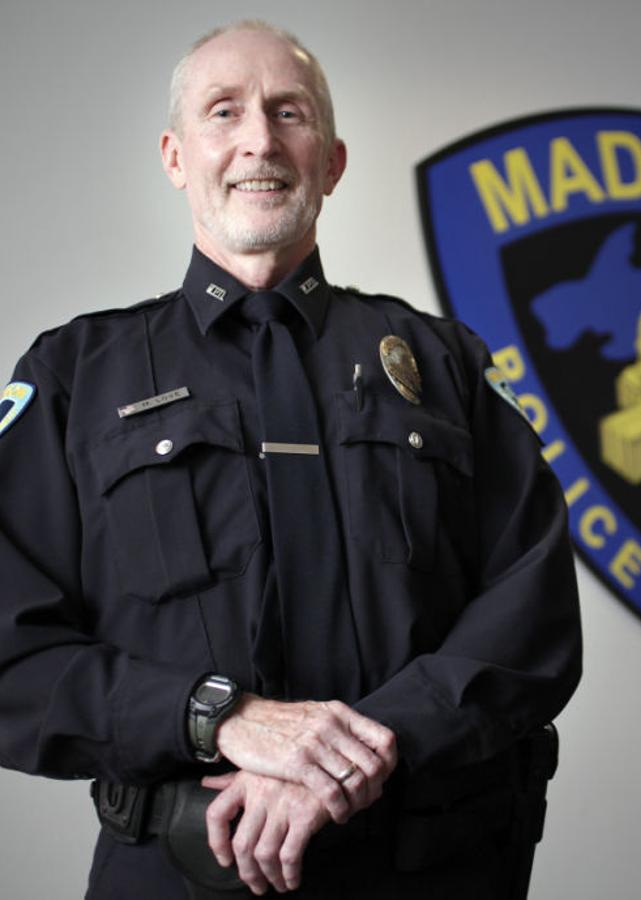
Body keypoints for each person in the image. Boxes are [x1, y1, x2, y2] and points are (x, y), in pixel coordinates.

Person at [0, 20, 582, 899]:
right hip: (177, 876)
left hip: (431, 870)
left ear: (332, 162)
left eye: (289, 112)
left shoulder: (444, 365)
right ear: (175, 156)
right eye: (223, 112)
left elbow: (532, 617)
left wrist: (353, 754)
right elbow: (10, 652)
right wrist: (219, 718)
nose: (260, 141)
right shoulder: (73, 377)